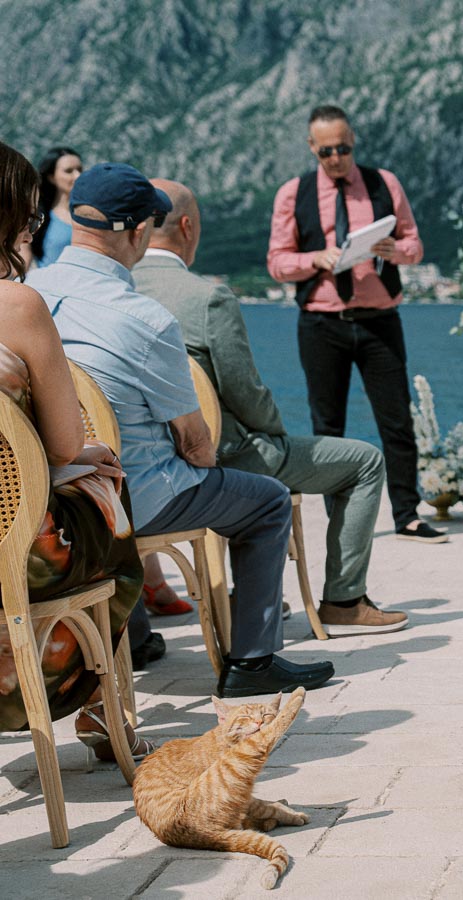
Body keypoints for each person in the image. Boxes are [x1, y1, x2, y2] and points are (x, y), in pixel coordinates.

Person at [26, 162, 336, 698]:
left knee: (135, 478)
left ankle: (138, 636)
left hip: (56, 493)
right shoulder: (144, 320)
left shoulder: (28, 295)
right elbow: (195, 445)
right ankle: (253, 662)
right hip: (129, 499)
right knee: (265, 502)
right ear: (139, 231)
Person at [136, 179, 405, 635]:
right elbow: (243, 391)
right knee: (364, 461)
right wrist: (275, 432)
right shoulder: (206, 297)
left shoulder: (114, 292)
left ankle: (252, 594)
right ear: (187, 227)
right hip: (221, 456)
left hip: (140, 466)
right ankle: (344, 598)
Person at [0, 140, 149, 760]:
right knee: (110, 498)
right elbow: (63, 443)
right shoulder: (19, 306)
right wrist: (88, 454)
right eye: (33, 218)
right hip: (16, 544)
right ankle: (97, 708)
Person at [266, 104, 443, 544]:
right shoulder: (293, 192)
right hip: (322, 323)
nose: (335, 158)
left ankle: (407, 514)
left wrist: (394, 250)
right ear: (312, 148)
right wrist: (315, 259)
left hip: (380, 318)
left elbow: (415, 243)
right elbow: (276, 262)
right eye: (326, 151)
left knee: (397, 420)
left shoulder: (384, 183)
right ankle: (339, 518)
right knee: (327, 425)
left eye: (342, 148)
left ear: (354, 140)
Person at [32, 147, 82, 267]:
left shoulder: (93, 212)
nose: (77, 176)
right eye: (69, 171)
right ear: (51, 177)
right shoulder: (38, 216)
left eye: (80, 169)